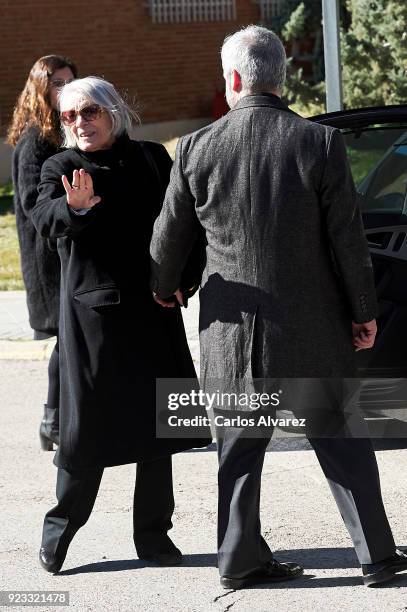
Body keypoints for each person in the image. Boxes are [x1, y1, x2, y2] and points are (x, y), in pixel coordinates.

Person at [150, 25, 407, 589]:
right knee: (341, 440)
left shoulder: (194, 148)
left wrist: (166, 287)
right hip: (311, 325)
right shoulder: (319, 143)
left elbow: (167, 240)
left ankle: (238, 561)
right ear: (278, 78)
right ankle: (378, 558)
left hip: (231, 330)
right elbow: (347, 238)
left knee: (238, 452)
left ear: (235, 79)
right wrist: (364, 312)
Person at [30, 76, 210, 573]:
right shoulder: (61, 166)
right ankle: (60, 530)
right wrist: (74, 207)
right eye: (69, 116)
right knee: (86, 433)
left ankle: (154, 537)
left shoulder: (152, 158)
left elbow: (185, 225)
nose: (79, 123)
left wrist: (184, 280)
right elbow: (43, 217)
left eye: (88, 111)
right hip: (94, 322)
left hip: (154, 311)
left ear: (112, 111)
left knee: (159, 431)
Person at [7, 55, 78, 451]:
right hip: (47, 257)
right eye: (57, 83)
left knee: (68, 339)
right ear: (40, 89)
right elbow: (35, 205)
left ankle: (56, 419)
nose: (65, 89)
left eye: (70, 81)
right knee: (65, 338)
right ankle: (52, 419)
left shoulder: (60, 132)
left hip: (65, 251)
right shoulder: (35, 140)